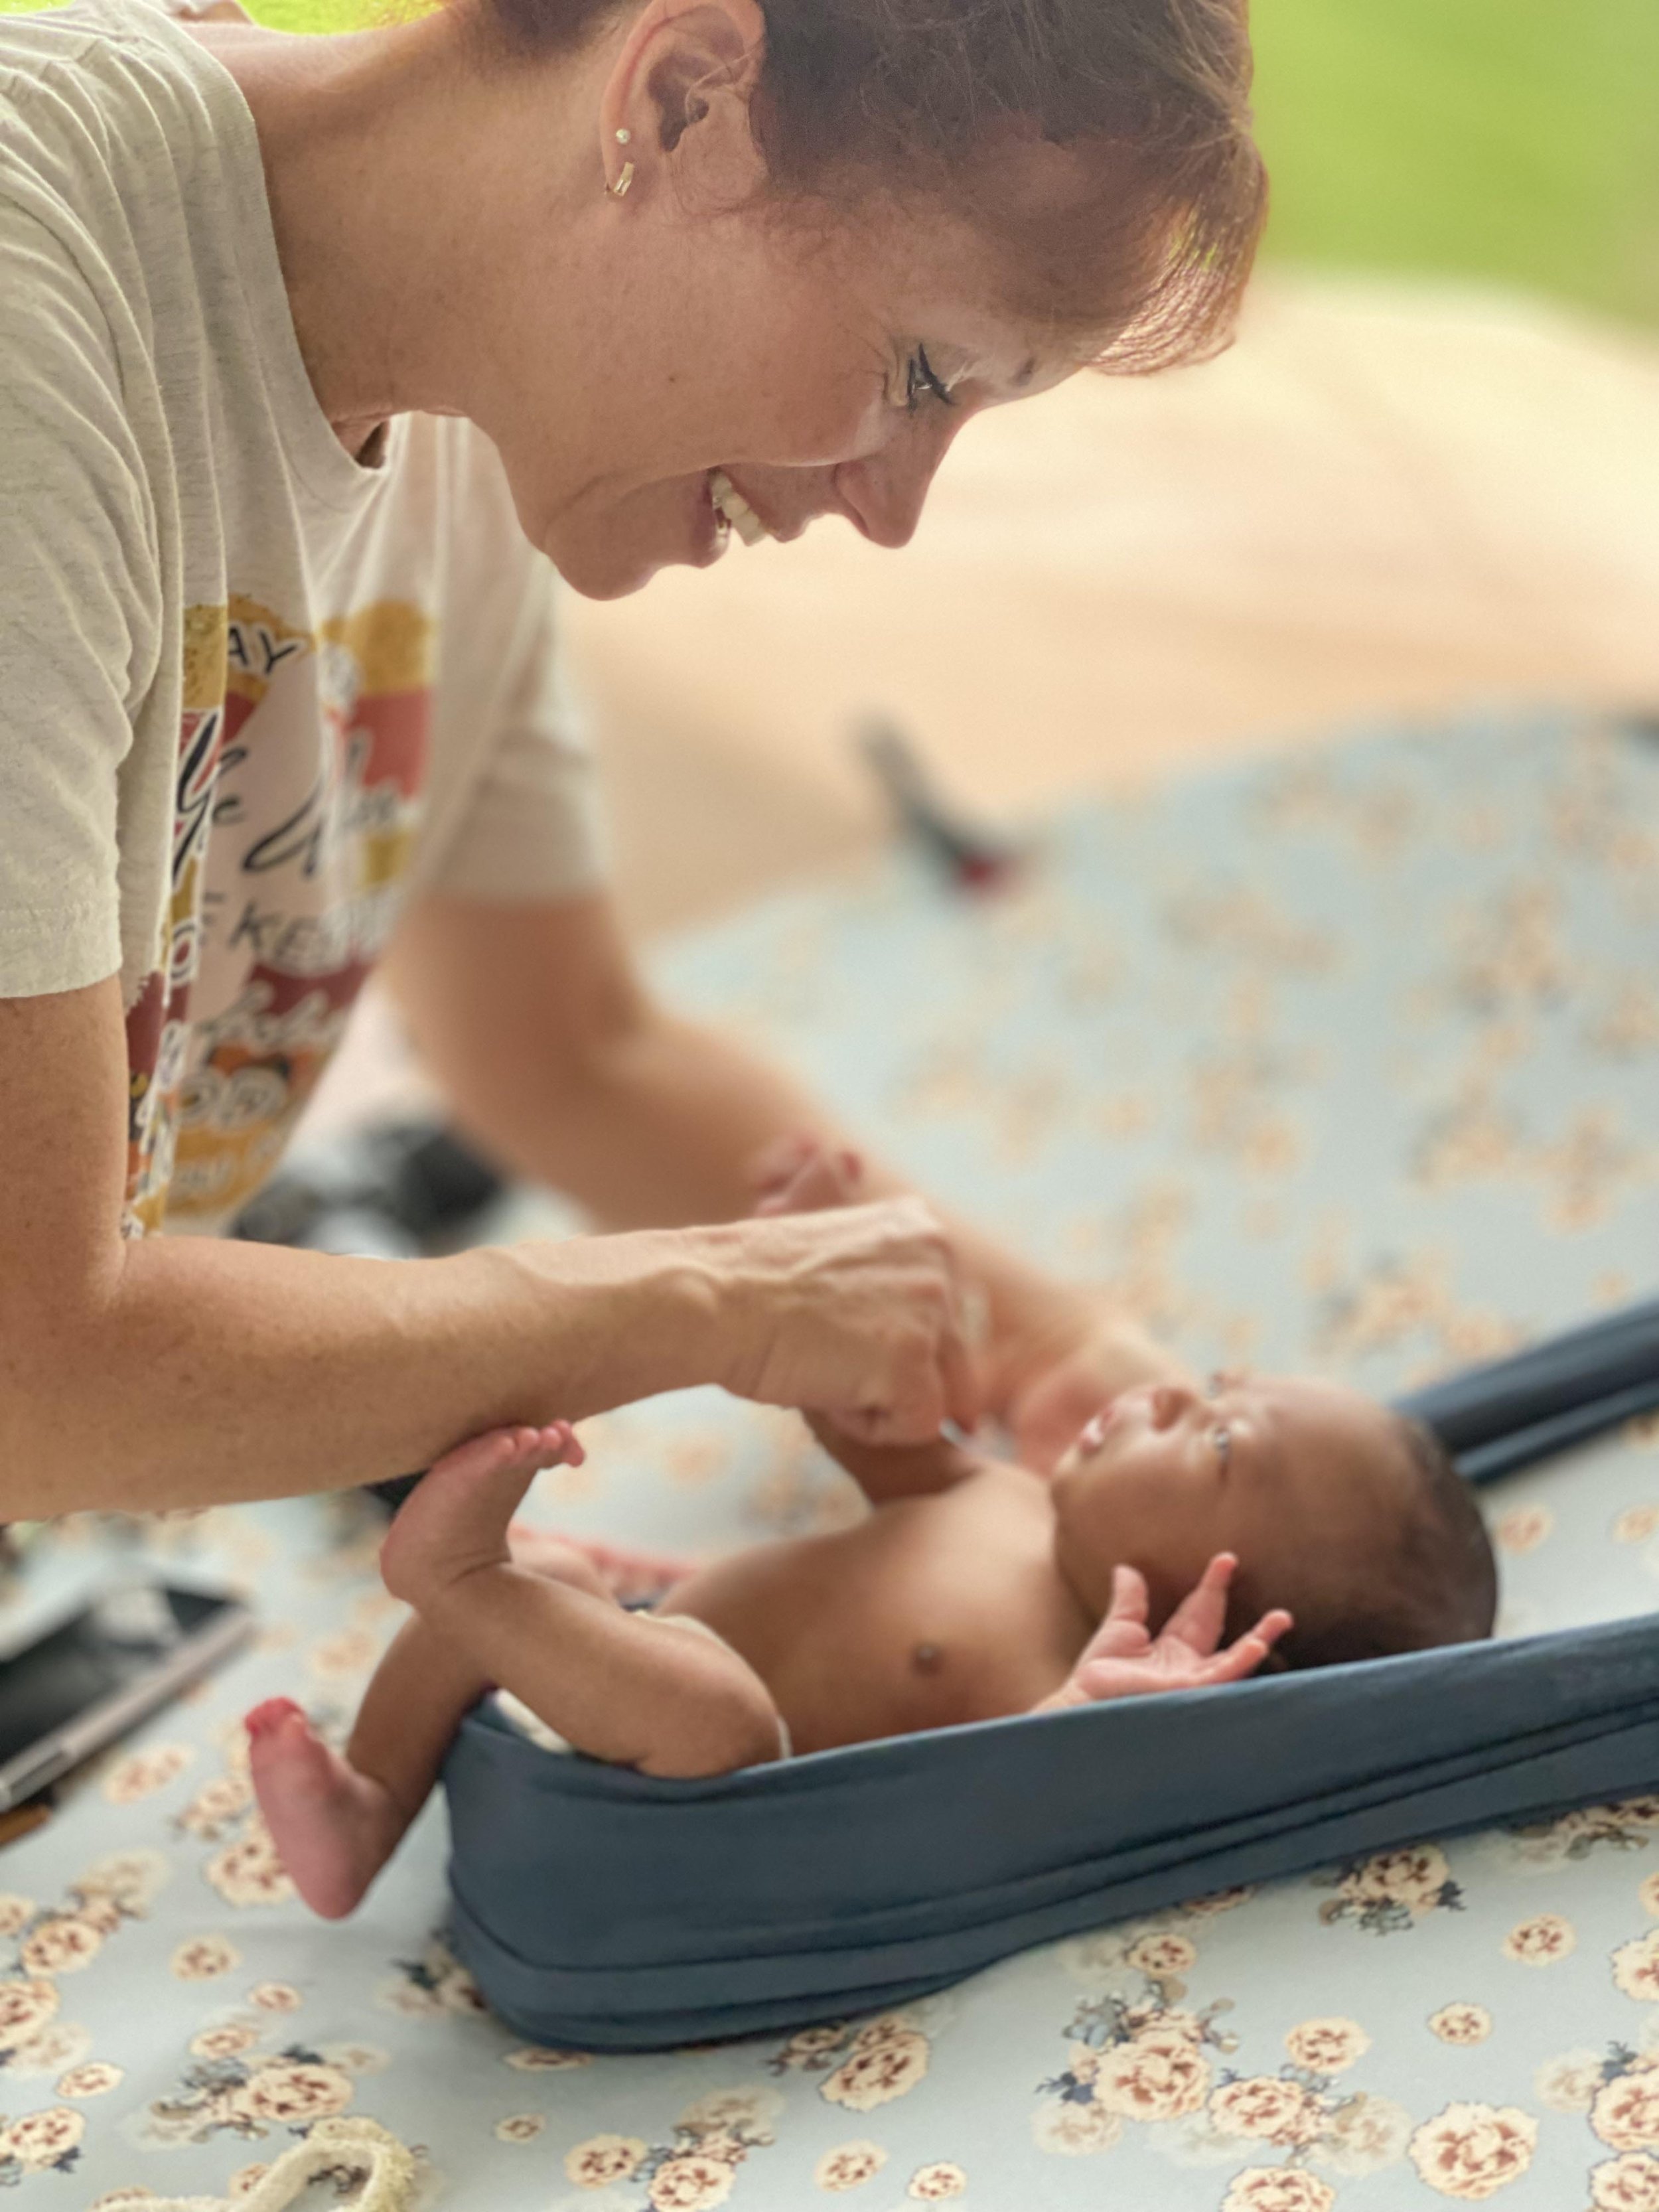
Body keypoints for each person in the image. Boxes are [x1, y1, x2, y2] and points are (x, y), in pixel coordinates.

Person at [0, 0, 1265, 1520]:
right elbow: (35, 1377)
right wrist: (707, 1307)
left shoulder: (468, 386)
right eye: (925, 373)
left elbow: (565, 1046)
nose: (892, 510)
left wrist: (1040, 1345)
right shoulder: (41, 351)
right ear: (681, 101)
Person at [245, 1364, 1497, 1919]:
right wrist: (846, 1365)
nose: (1164, 1394)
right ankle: (371, 1803)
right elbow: (889, 1448)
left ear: (1217, 1627)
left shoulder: (1080, 1690)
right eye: (1213, 1381)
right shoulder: (1007, 1495)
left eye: (1217, 1444)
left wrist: (1105, 1718)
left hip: (694, 1821)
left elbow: (981, 1816)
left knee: (719, 1712)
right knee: (553, 1573)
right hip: (598, 1698)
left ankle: (454, 1576)